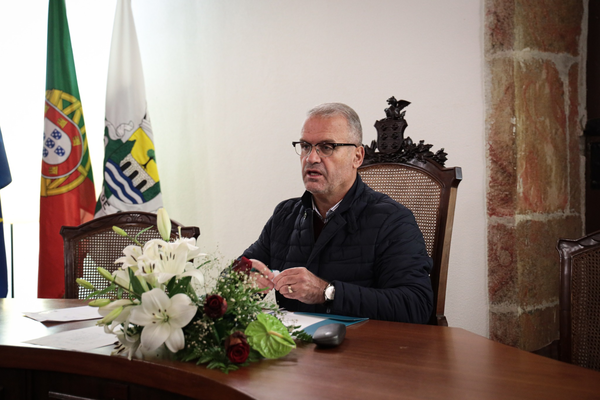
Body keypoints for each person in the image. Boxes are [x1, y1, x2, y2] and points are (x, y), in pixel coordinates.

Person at [242, 103, 433, 323]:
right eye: (305, 146)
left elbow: (416, 305)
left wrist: (327, 292)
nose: (311, 158)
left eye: (327, 147)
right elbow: (235, 275)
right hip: (292, 343)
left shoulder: (393, 220)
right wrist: (243, 280)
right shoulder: (285, 215)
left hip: (362, 343)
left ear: (357, 156)